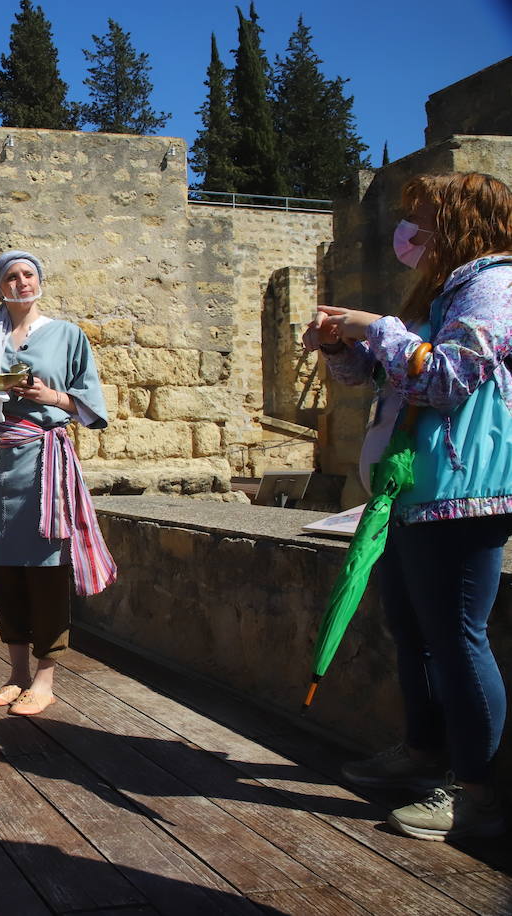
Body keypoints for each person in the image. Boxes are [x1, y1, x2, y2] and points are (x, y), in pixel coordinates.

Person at [305, 172, 512, 841]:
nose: (410, 231)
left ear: (461, 221)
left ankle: (475, 793)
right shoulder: (443, 290)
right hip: (408, 491)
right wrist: (344, 346)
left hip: (463, 492)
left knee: (456, 638)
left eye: (421, 217)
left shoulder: (495, 285)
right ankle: (423, 752)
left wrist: (378, 325)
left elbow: (447, 379)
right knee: (411, 629)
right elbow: (387, 375)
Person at [0, 251, 115, 717]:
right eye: (11, 277)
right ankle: (16, 674)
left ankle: (44, 679)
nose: (21, 283)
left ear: (39, 281)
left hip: (44, 463)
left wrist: (50, 396)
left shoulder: (67, 336)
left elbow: (91, 406)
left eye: (28, 275)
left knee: (45, 566)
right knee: (0, 567)